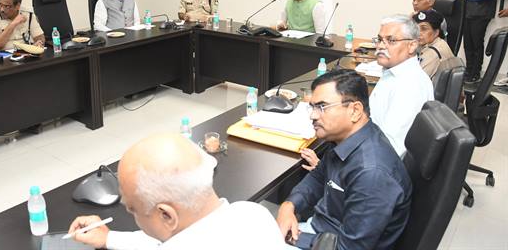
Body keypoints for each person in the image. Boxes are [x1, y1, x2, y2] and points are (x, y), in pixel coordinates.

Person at [68, 133, 288, 249]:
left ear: (166, 215)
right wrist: (108, 238)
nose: (132, 215)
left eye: (133, 210)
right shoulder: (252, 213)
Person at [276, 69, 412, 250]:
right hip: (321, 231)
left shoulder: (371, 174)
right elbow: (318, 177)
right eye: (313, 107)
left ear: (355, 111)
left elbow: (349, 247)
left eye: (322, 107)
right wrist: (289, 205)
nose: (313, 115)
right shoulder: (346, 139)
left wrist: (294, 239)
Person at [370, 14, 434, 156]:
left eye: (391, 40)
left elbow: (390, 148)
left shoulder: (410, 86)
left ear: (412, 45)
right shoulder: (394, 72)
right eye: (379, 40)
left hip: (378, 160)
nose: (381, 46)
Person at [460, 0, 503, 83]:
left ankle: (475, 73)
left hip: (482, 14)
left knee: (477, 44)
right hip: (469, 13)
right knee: (467, 44)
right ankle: (468, 70)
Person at [412, 9, 454, 78]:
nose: (419, 33)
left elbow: (414, 79)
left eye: (424, 29)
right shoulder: (439, 43)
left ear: (436, 32)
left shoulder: (433, 52)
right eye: (416, 29)